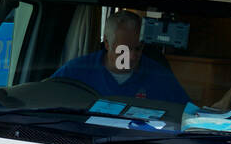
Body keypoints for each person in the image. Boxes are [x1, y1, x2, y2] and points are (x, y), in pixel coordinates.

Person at [51, 10, 190, 103]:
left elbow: (187, 114)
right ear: (107, 43)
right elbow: (46, 97)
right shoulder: (76, 70)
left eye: (138, 48)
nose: (133, 56)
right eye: (124, 49)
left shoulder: (160, 76)